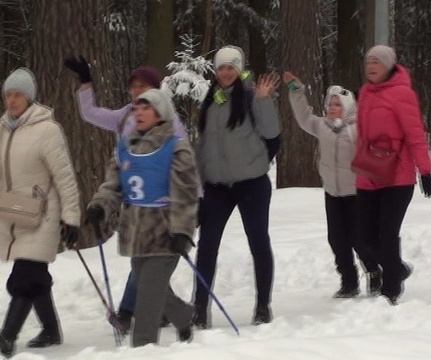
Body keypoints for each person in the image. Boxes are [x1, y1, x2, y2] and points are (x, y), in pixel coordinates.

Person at [64, 56, 186, 331]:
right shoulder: (124, 116)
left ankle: (127, 313)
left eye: (142, 87)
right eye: (133, 87)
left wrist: (192, 204)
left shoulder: (170, 123)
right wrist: (85, 83)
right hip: (133, 199)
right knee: (143, 262)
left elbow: (185, 165)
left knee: (146, 261)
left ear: (155, 91)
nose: (136, 92)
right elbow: (90, 113)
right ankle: (168, 311)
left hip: (161, 203)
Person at [86, 89, 199, 347]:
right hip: (135, 232)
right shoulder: (126, 147)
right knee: (151, 284)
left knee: (147, 294)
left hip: (165, 232)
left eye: (145, 108)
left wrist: (182, 232)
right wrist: (100, 206)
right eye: (136, 108)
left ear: (160, 113)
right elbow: (113, 184)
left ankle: (143, 348)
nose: (138, 113)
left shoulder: (176, 147)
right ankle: (183, 315)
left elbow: (186, 194)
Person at [194, 45, 280, 328]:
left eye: (231, 67)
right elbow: (203, 144)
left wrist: (265, 100)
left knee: (258, 242)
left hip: (251, 182)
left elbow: (271, 132)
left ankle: (263, 305)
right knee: (206, 246)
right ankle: (200, 309)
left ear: (239, 68)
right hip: (217, 186)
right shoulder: (211, 100)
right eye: (221, 68)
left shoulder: (252, 96)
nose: (226, 72)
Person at [0, 68, 81, 357]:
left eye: (18, 94)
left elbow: (65, 177)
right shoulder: (2, 129)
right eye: (8, 94)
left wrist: (71, 218)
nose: (12, 100)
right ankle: (50, 330)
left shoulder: (47, 129)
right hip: (13, 215)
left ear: (30, 97)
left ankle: (6, 337)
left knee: (22, 279)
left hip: (43, 215)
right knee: (35, 279)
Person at [284, 72, 380, 298]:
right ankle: (349, 281)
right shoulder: (322, 126)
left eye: (338, 104)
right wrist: (296, 90)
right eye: (330, 104)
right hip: (332, 193)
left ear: (347, 107)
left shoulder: (358, 129)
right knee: (337, 239)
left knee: (359, 238)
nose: (332, 107)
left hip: (356, 193)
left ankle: (374, 271)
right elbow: (303, 116)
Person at [354, 45, 431, 305]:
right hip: (369, 173)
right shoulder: (365, 92)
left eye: (377, 62)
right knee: (362, 236)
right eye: (368, 62)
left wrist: (425, 171)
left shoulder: (403, 93)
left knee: (387, 233)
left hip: (397, 176)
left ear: (389, 65)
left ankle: (391, 287)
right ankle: (396, 267)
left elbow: (415, 133)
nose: (371, 66)